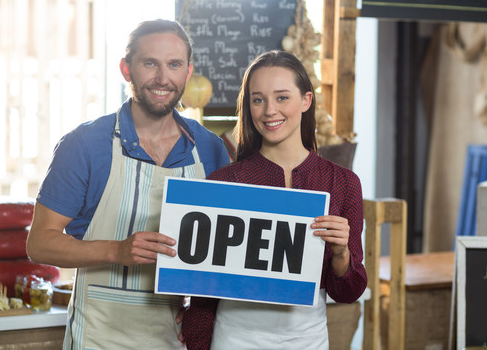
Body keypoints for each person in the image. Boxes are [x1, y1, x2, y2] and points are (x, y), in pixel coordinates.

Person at [26, 19, 230, 349]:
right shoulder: (85, 145)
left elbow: (223, 247)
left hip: (173, 337)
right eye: (150, 63)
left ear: (187, 73)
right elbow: (39, 243)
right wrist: (116, 250)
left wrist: (203, 310)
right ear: (126, 69)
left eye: (174, 65)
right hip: (99, 336)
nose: (163, 78)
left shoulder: (209, 149)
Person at [182, 50, 367, 350]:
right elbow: (206, 293)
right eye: (258, 99)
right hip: (235, 337)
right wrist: (196, 339)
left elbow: (348, 292)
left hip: (308, 338)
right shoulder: (223, 183)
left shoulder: (344, 183)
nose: (269, 110)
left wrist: (342, 253)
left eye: (282, 97)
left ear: (306, 101)